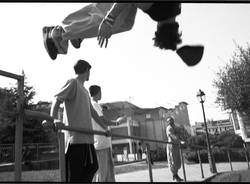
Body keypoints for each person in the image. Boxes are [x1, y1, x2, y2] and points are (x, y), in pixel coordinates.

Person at [43, 3, 204, 67]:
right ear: (159, 28)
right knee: (110, 19)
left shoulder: (173, 10)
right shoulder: (159, 11)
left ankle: (77, 33)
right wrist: (109, 20)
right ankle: (57, 34)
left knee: (126, 23)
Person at [42, 59, 110, 182]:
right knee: (75, 176)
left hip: (88, 139)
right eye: (89, 71)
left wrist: (105, 128)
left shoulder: (85, 91)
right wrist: (53, 120)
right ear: (86, 70)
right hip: (75, 140)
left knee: (92, 167)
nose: (90, 74)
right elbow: (57, 99)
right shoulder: (73, 83)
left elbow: (93, 113)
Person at [89, 85, 117, 182]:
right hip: (101, 143)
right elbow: (102, 120)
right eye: (100, 92)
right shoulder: (94, 104)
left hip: (101, 142)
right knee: (103, 173)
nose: (101, 94)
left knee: (105, 172)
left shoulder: (94, 105)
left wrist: (115, 122)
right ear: (97, 93)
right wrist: (115, 123)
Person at [165, 116, 183, 182]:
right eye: (170, 121)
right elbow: (171, 135)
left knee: (177, 160)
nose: (171, 122)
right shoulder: (169, 128)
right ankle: (174, 176)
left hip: (176, 145)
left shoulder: (175, 127)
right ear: (168, 122)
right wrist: (179, 140)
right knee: (173, 160)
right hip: (171, 145)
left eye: (172, 120)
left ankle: (176, 175)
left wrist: (180, 139)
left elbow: (178, 133)